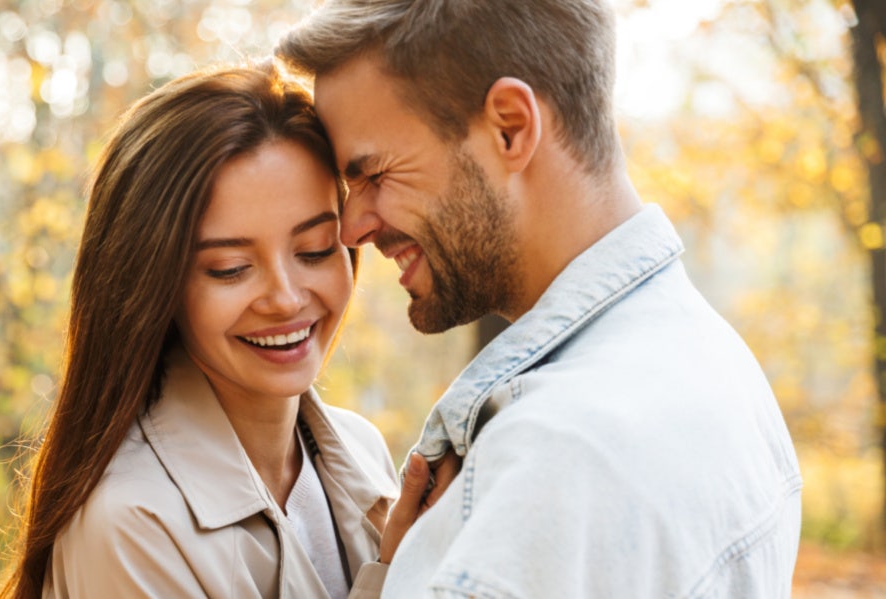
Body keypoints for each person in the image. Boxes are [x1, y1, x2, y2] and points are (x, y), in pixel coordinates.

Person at [276, 1, 803, 597]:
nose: (352, 229)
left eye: (373, 175)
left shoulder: (554, 460)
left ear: (511, 127)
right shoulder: (715, 363)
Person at [0, 63, 401, 598]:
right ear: (154, 286)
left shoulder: (361, 450)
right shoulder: (130, 521)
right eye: (230, 268)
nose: (285, 298)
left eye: (315, 251)